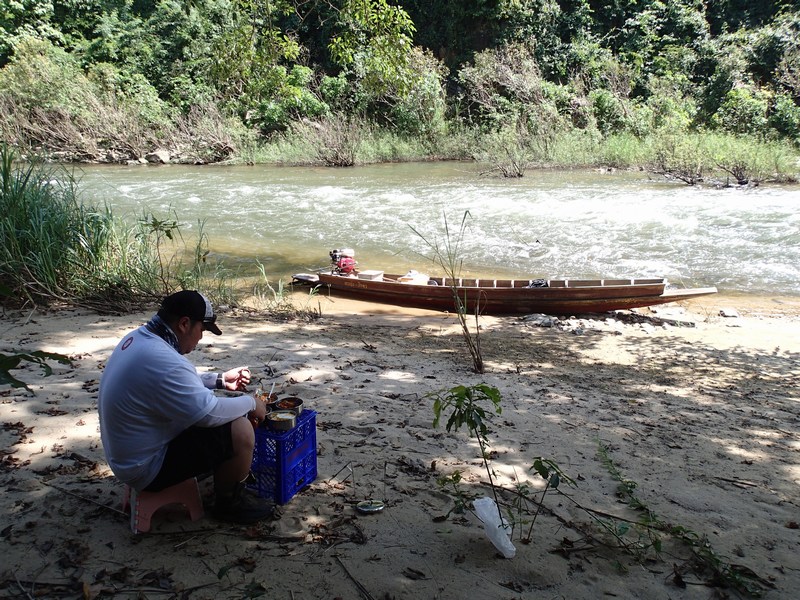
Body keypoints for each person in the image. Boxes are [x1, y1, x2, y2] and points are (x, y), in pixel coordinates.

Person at [98, 290, 273, 524]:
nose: (201, 338)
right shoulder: (163, 360)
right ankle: (229, 504)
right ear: (184, 324)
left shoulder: (141, 338)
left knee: (226, 421)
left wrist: (220, 380)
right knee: (240, 430)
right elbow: (209, 413)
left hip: (127, 457)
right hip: (146, 468)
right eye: (202, 330)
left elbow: (174, 381)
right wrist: (252, 403)